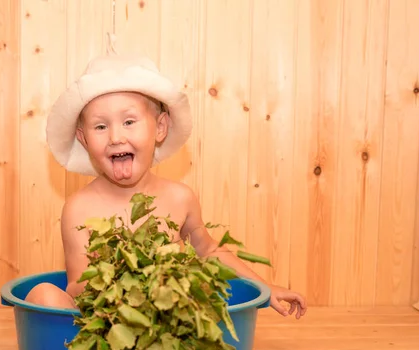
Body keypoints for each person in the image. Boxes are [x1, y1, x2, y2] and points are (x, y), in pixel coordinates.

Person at [26, 54, 307, 319]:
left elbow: (209, 250)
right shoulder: (79, 208)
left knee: (204, 292)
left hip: (166, 320)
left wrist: (264, 289)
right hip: (102, 322)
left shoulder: (180, 198)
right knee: (43, 294)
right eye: (100, 127)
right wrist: (128, 295)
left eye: (129, 121)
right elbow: (77, 285)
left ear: (160, 128)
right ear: (84, 139)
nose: (115, 136)